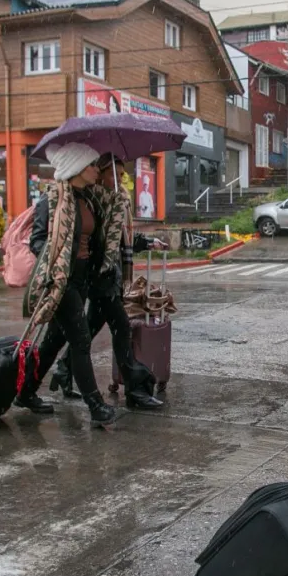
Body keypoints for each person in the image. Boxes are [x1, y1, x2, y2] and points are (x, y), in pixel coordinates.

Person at [19, 142, 132, 428]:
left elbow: (104, 232)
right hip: (61, 280)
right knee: (80, 340)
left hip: (82, 279)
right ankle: (95, 404)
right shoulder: (53, 200)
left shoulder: (90, 198)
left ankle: (24, 392)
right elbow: (37, 241)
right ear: (78, 168)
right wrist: (57, 265)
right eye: (93, 165)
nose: (97, 169)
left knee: (54, 341)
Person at [47, 155, 166, 410]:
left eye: (123, 175)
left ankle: (64, 369)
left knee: (88, 329)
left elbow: (122, 237)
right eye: (116, 173)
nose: (121, 179)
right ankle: (134, 389)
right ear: (102, 173)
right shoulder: (95, 199)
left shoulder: (115, 199)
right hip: (96, 276)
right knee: (121, 328)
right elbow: (97, 238)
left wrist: (147, 242)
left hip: (105, 275)